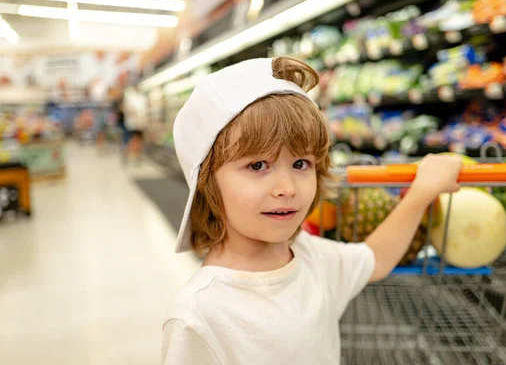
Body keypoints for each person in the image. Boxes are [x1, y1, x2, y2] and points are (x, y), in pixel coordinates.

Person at [162, 57, 462, 364]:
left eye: (300, 164)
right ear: (206, 182)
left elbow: (375, 259)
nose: (287, 187)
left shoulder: (309, 256)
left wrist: (423, 191)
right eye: (257, 165)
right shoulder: (198, 316)